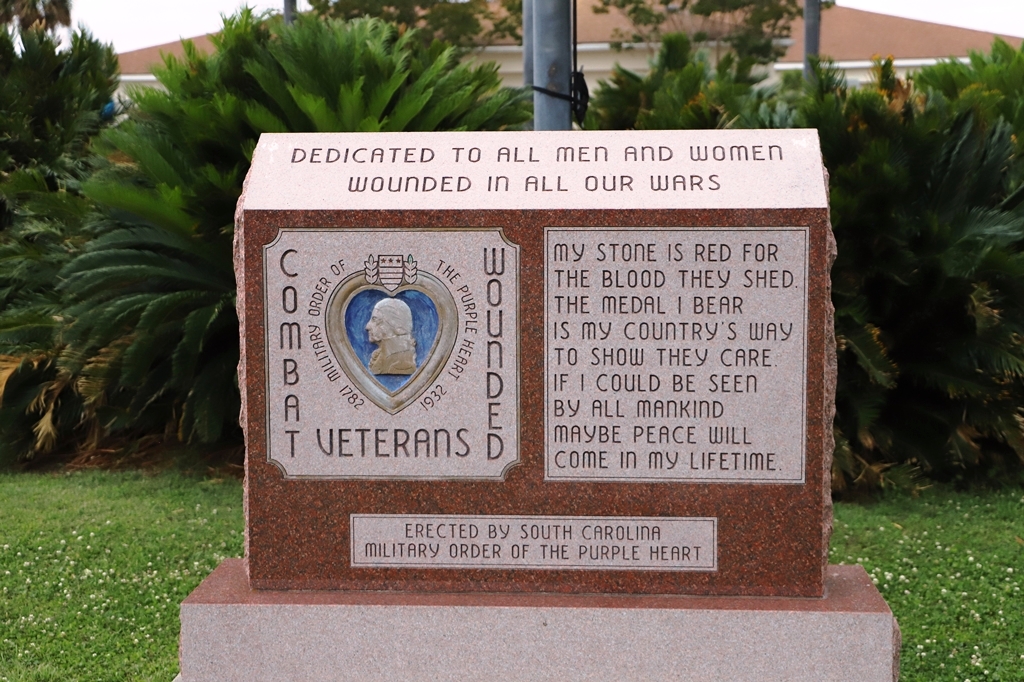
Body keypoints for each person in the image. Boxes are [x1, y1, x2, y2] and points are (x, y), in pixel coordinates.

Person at [364, 297, 417, 375]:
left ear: (397, 327)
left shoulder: (403, 364)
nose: (367, 327)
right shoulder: (379, 357)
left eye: (375, 319)